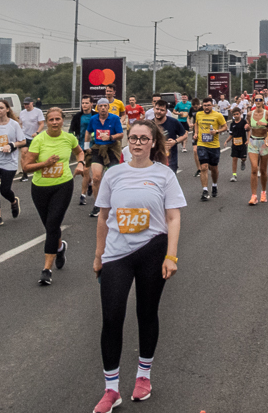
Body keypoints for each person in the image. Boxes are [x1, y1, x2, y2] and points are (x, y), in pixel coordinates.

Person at [92, 120, 185, 411]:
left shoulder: (164, 175)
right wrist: (98, 255)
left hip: (152, 250)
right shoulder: (113, 174)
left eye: (144, 138)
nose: (137, 143)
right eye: (133, 138)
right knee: (112, 317)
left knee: (146, 313)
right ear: (127, 142)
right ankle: (111, 389)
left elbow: (173, 218)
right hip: (116, 254)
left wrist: (171, 255)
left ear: (153, 143)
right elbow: (103, 216)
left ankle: (143, 376)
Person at [23, 106, 85, 285]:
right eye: (51, 120)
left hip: (63, 186)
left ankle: (46, 270)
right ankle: (60, 247)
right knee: (50, 227)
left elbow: (79, 151)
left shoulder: (69, 138)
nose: (55, 122)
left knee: (52, 225)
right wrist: (46, 163)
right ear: (47, 122)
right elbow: (27, 167)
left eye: (58, 119)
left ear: (62, 121)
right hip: (40, 188)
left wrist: (80, 163)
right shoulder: (39, 140)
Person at [0, 98, 27, 227]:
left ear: (7, 109)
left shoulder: (14, 125)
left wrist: (11, 145)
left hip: (9, 162)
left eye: (1, 108)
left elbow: (23, 141)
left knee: (4, 190)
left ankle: (13, 201)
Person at [84, 98, 126, 217]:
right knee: (96, 178)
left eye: (105, 106)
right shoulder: (94, 119)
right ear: (97, 108)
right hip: (97, 149)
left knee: (113, 178)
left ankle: (115, 202)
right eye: (100, 106)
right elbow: (88, 132)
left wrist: (110, 137)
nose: (103, 108)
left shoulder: (114, 118)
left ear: (108, 107)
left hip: (111, 149)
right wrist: (87, 146)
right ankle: (98, 204)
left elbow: (121, 134)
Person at [194, 98, 228, 201]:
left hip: (214, 145)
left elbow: (225, 127)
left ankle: (214, 184)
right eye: (204, 105)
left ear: (212, 105)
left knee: (214, 168)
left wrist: (217, 131)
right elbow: (196, 123)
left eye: (208, 105)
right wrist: (195, 133)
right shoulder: (198, 114)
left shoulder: (218, 115)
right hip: (202, 144)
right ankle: (205, 190)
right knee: (203, 167)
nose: (206, 107)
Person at [247, 100, 268, 204]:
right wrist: (247, 128)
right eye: (256, 100)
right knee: (254, 168)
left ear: (263, 102)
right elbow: (249, 126)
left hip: (264, 142)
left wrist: (266, 124)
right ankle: (254, 196)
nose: (258, 101)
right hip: (253, 142)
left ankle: (263, 192)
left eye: (260, 100)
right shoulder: (250, 114)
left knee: (263, 170)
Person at [150, 100, 187, 174]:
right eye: (157, 109)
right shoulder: (150, 124)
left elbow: (184, 135)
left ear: (166, 112)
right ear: (154, 109)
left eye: (162, 110)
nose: (159, 111)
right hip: (153, 159)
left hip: (170, 160)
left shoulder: (173, 122)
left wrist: (175, 141)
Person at [70, 96, 94, 203]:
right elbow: (71, 131)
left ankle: (84, 193)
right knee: (84, 171)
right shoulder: (77, 116)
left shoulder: (96, 116)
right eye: (83, 103)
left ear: (91, 104)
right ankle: (87, 187)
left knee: (86, 170)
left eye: (86, 103)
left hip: (94, 147)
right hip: (81, 147)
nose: (84, 105)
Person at [18, 97, 45, 181]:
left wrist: (37, 132)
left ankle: (40, 170)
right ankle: (25, 174)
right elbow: (20, 124)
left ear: (32, 103)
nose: (26, 106)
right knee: (23, 153)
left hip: (35, 137)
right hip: (25, 136)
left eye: (27, 104)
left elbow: (41, 124)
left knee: (37, 155)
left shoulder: (38, 112)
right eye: (25, 104)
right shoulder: (22, 113)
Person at [228, 106, 249, 181]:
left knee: (243, 158)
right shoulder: (232, 124)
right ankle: (234, 175)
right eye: (234, 114)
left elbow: (248, 130)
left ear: (240, 114)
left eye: (237, 114)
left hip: (243, 143)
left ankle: (243, 162)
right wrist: (227, 141)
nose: (236, 116)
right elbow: (231, 134)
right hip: (235, 144)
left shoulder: (244, 122)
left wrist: (248, 139)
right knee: (234, 158)